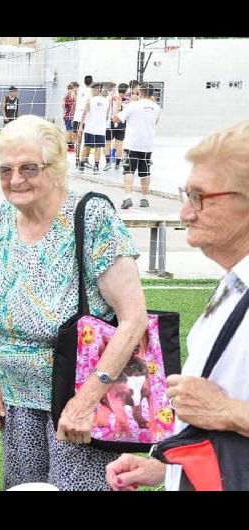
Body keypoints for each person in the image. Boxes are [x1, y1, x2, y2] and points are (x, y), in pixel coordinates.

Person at [0, 115, 148, 490]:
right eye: (4, 170)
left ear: (56, 168)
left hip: (81, 401)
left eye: (28, 168)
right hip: (17, 403)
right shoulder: (3, 217)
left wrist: (86, 401)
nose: (15, 179)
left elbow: (134, 319)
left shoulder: (92, 217)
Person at [106, 121, 249, 491]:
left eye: (199, 197)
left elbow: (219, 409)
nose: (185, 212)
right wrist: (166, 468)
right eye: (186, 194)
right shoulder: (235, 282)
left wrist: (228, 413)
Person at [112, 82, 161, 209]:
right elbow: (155, 121)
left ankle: (127, 197)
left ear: (141, 92)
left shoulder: (133, 105)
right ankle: (144, 199)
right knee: (145, 172)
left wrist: (117, 107)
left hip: (132, 144)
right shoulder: (156, 108)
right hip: (147, 145)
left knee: (129, 171)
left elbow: (115, 119)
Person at [78, 83, 109, 174]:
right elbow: (107, 116)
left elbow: (84, 113)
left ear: (97, 90)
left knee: (86, 146)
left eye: (92, 90)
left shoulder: (90, 100)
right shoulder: (106, 101)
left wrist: (80, 126)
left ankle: (81, 166)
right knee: (98, 148)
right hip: (100, 129)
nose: (91, 92)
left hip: (89, 128)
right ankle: (96, 167)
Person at [103, 83, 128, 172]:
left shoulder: (112, 98)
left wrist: (110, 118)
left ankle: (108, 162)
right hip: (121, 122)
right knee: (119, 144)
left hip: (111, 121)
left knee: (107, 143)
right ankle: (117, 164)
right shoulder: (127, 99)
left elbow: (110, 110)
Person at [73, 75, 93, 168]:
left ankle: (77, 159)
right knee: (87, 140)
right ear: (92, 82)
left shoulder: (79, 90)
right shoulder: (91, 91)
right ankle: (85, 159)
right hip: (86, 117)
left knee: (78, 140)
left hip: (77, 116)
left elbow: (76, 101)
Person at [62, 83, 77, 152]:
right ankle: (70, 147)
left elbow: (63, 106)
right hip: (71, 116)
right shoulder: (73, 93)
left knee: (69, 131)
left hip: (66, 115)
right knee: (71, 132)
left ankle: (70, 146)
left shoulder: (65, 96)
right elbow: (76, 103)